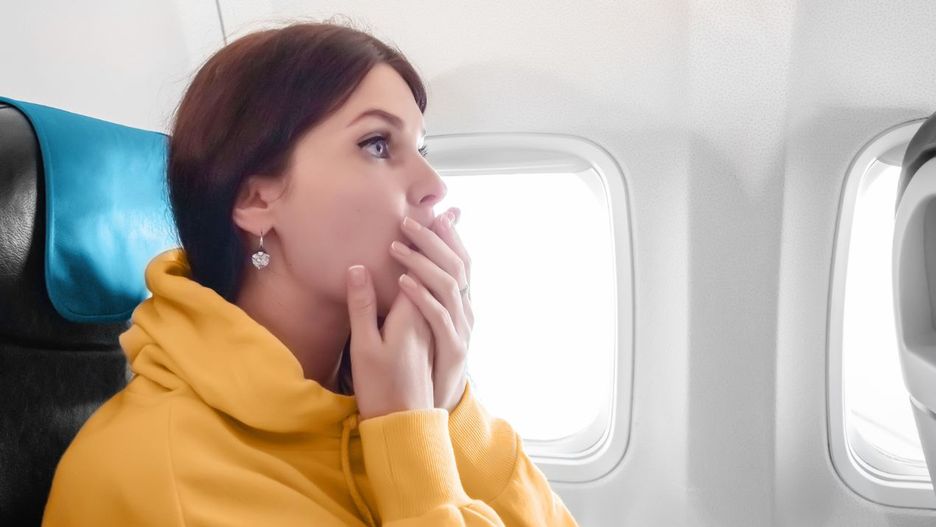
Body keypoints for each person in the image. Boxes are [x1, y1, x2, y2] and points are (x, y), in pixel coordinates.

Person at [41, 20, 580, 526]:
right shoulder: (160, 477)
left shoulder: (391, 396)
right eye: (377, 144)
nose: (434, 185)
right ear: (256, 200)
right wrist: (410, 446)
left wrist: (451, 410)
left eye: (421, 148)